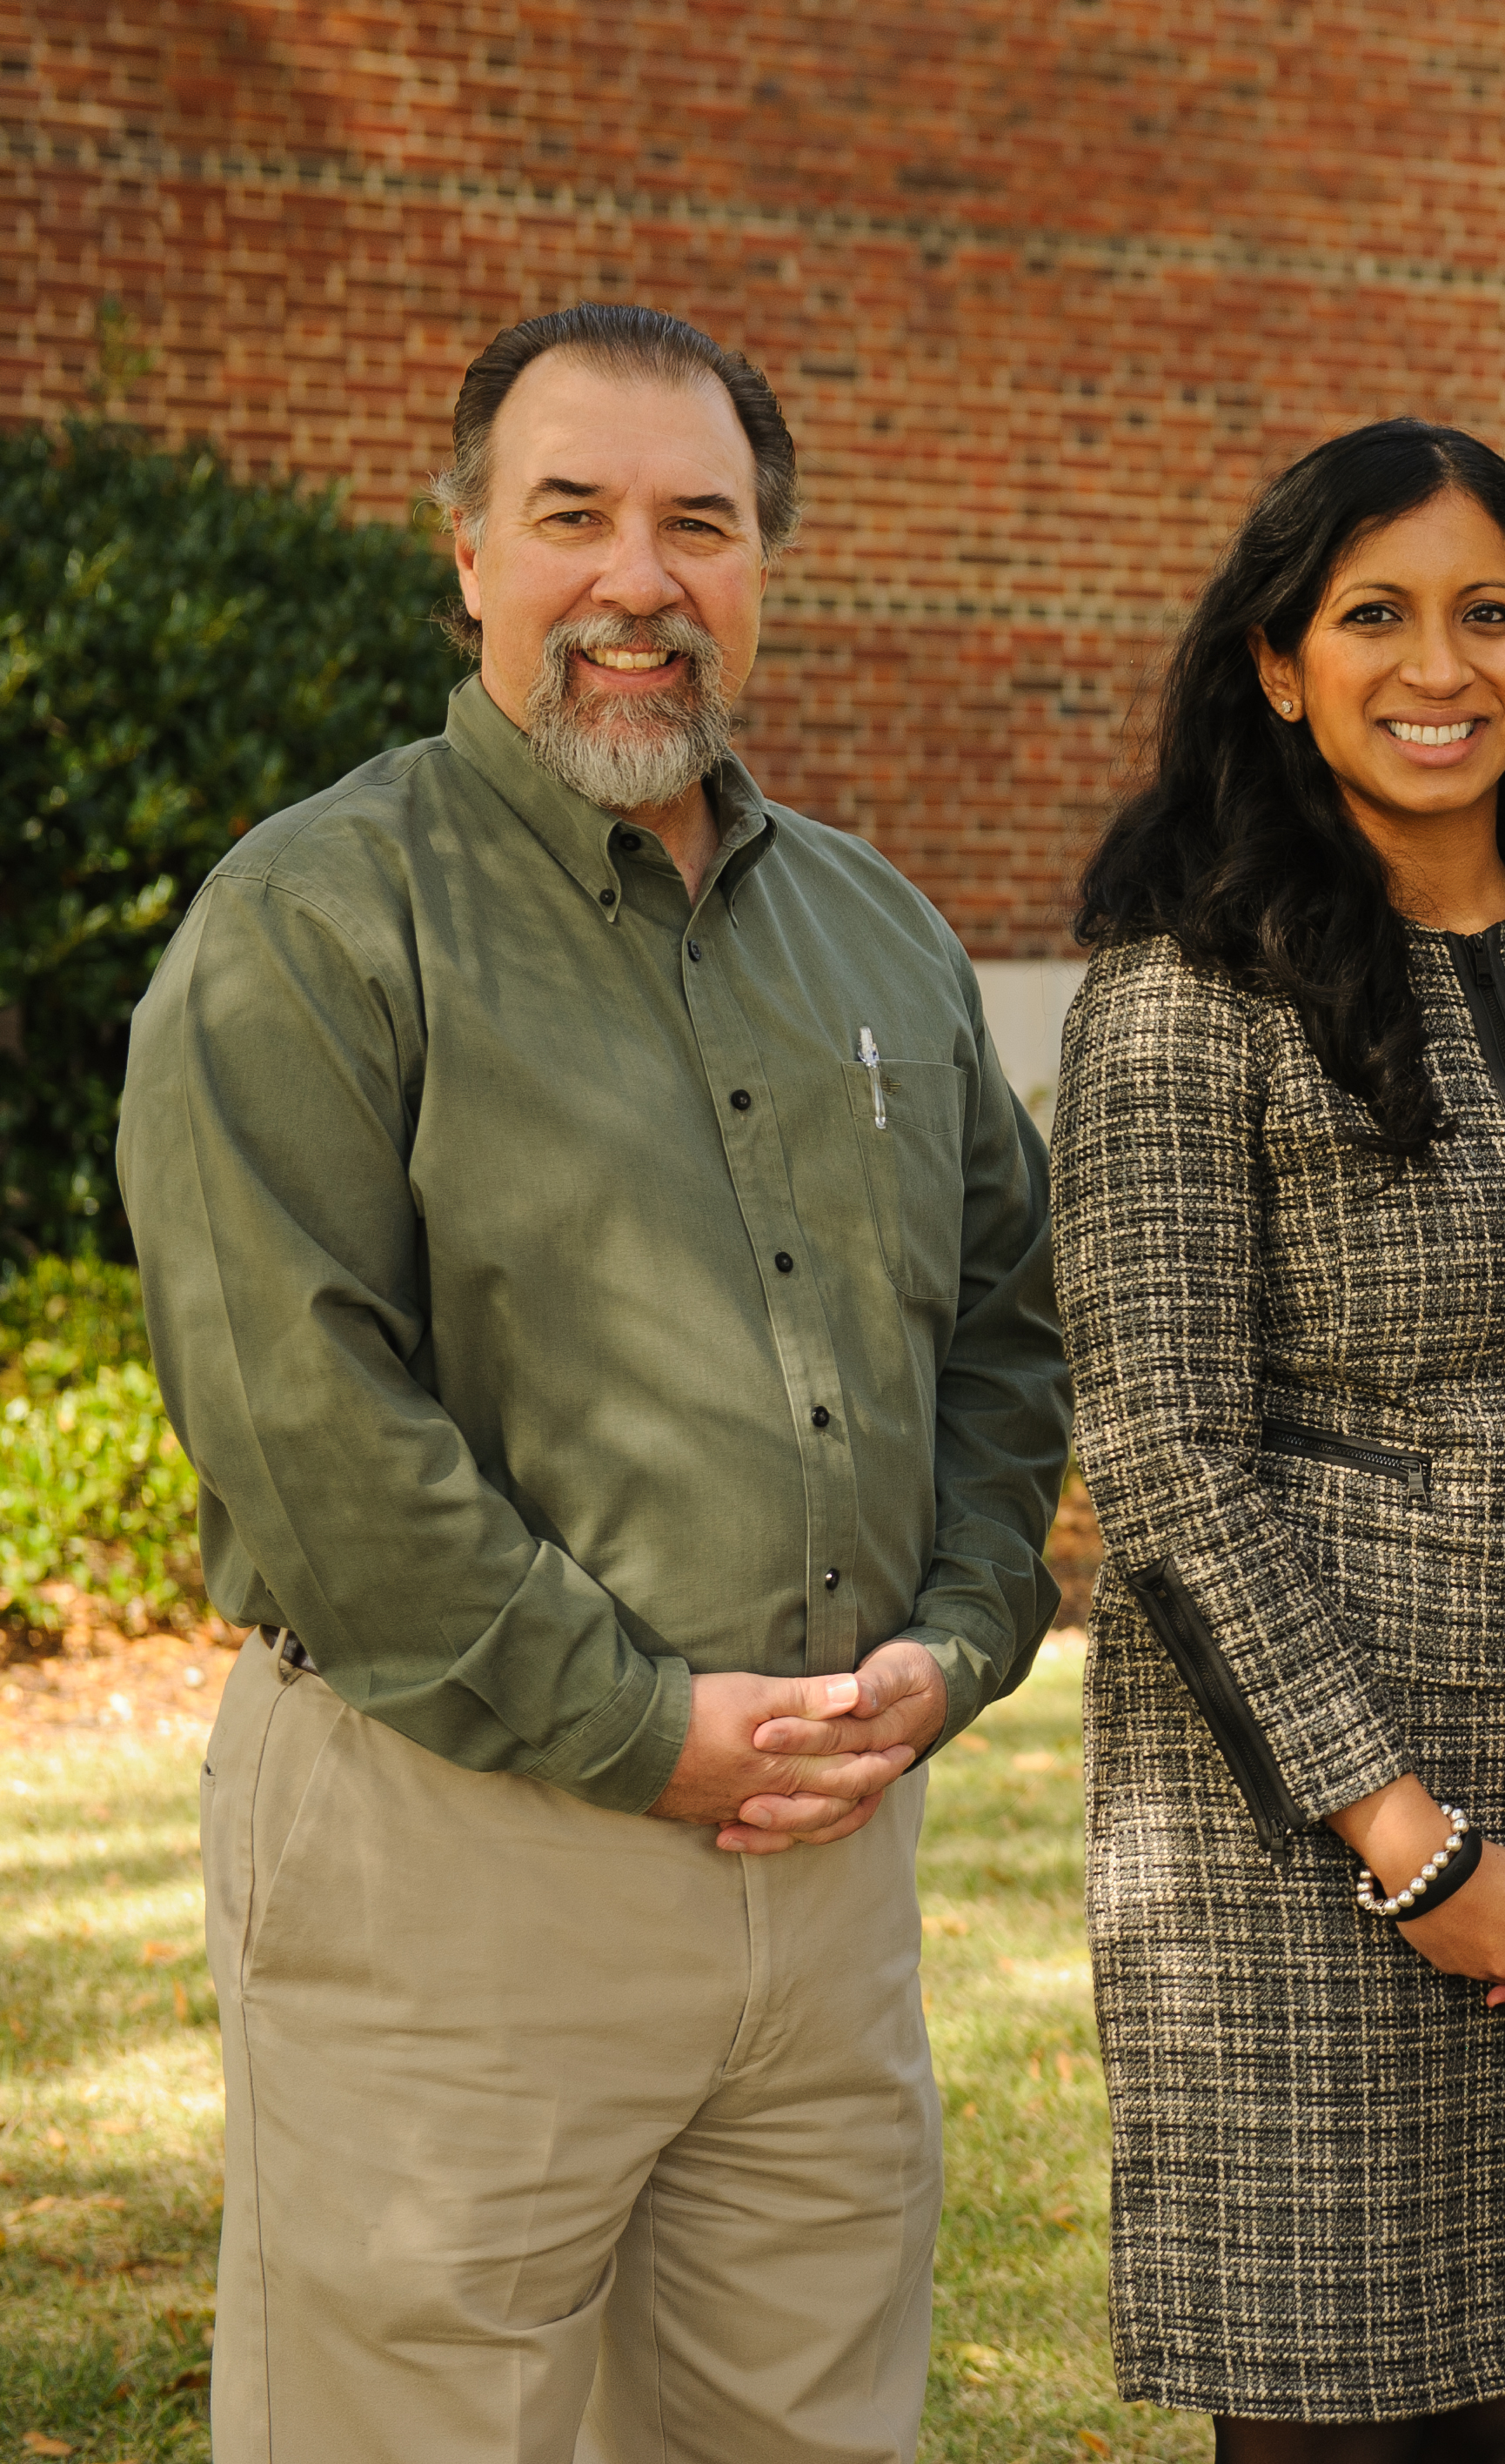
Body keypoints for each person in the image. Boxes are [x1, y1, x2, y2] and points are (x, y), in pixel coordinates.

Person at [118, 302, 1069, 2462]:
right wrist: (642, 1733)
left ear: (760, 571)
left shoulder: (881, 936)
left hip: (826, 1888)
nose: (638, 579)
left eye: (699, 525)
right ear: (467, 555)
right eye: (574, 516)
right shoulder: (316, 923)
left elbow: (1008, 1326)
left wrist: (958, 1636)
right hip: (457, 1855)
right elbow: (305, 1423)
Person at [1054, 418, 1505, 2464]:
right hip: (1301, 1831)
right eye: (1375, 614)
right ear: (1278, 662)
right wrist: (1409, 1850)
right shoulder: (1184, 996)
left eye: (1485, 613)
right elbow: (1170, 1467)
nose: (1435, 664)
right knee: (1328, 2423)